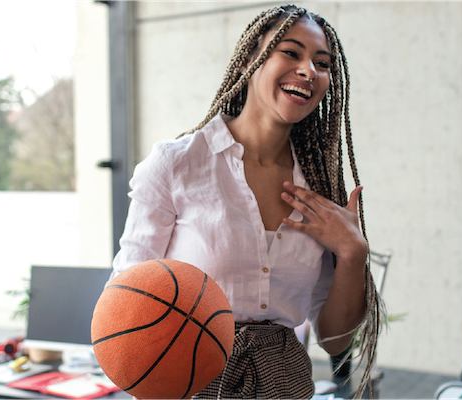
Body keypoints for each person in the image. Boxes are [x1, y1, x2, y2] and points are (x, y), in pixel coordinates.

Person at [110, 4, 385, 399]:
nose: (309, 71)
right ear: (248, 61)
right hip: (189, 383)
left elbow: (335, 341)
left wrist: (352, 251)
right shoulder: (177, 164)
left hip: (285, 384)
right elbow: (125, 302)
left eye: (322, 63)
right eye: (291, 52)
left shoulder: (319, 190)